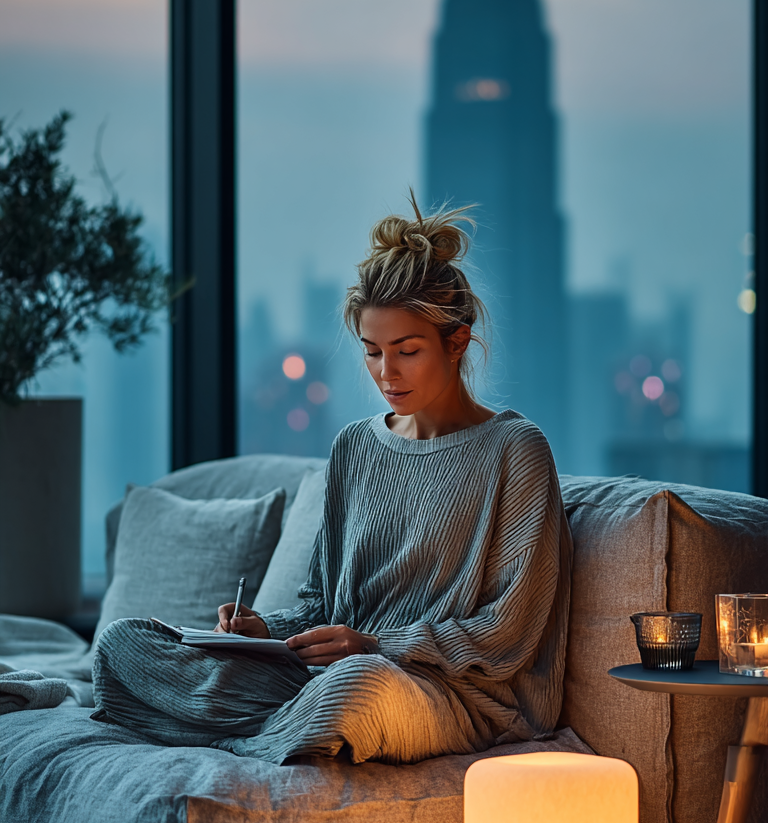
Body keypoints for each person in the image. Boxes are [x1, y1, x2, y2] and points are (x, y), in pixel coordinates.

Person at [92, 198, 571, 765]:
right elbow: (322, 605)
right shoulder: (355, 448)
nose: (386, 374)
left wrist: (374, 645)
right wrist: (263, 631)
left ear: (458, 341)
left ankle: (240, 732)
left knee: (355, 691)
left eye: (407, 351)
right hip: (322, 674)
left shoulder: (516, 450)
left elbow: (508, 631)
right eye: (373, 352)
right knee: (123, 643)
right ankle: (285, 730)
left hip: (447, 694)